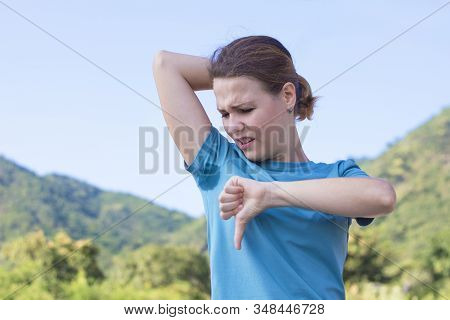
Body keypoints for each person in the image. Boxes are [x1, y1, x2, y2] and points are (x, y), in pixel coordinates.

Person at [152, 35, 396, 300]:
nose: (232, 125)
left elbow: (381, 197)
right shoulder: (219, 162)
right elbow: (166, 65)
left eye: (245, 109)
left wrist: (270, 194)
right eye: (224, 113)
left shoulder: (335, 175)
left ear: (288, 96)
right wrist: (245, 71)